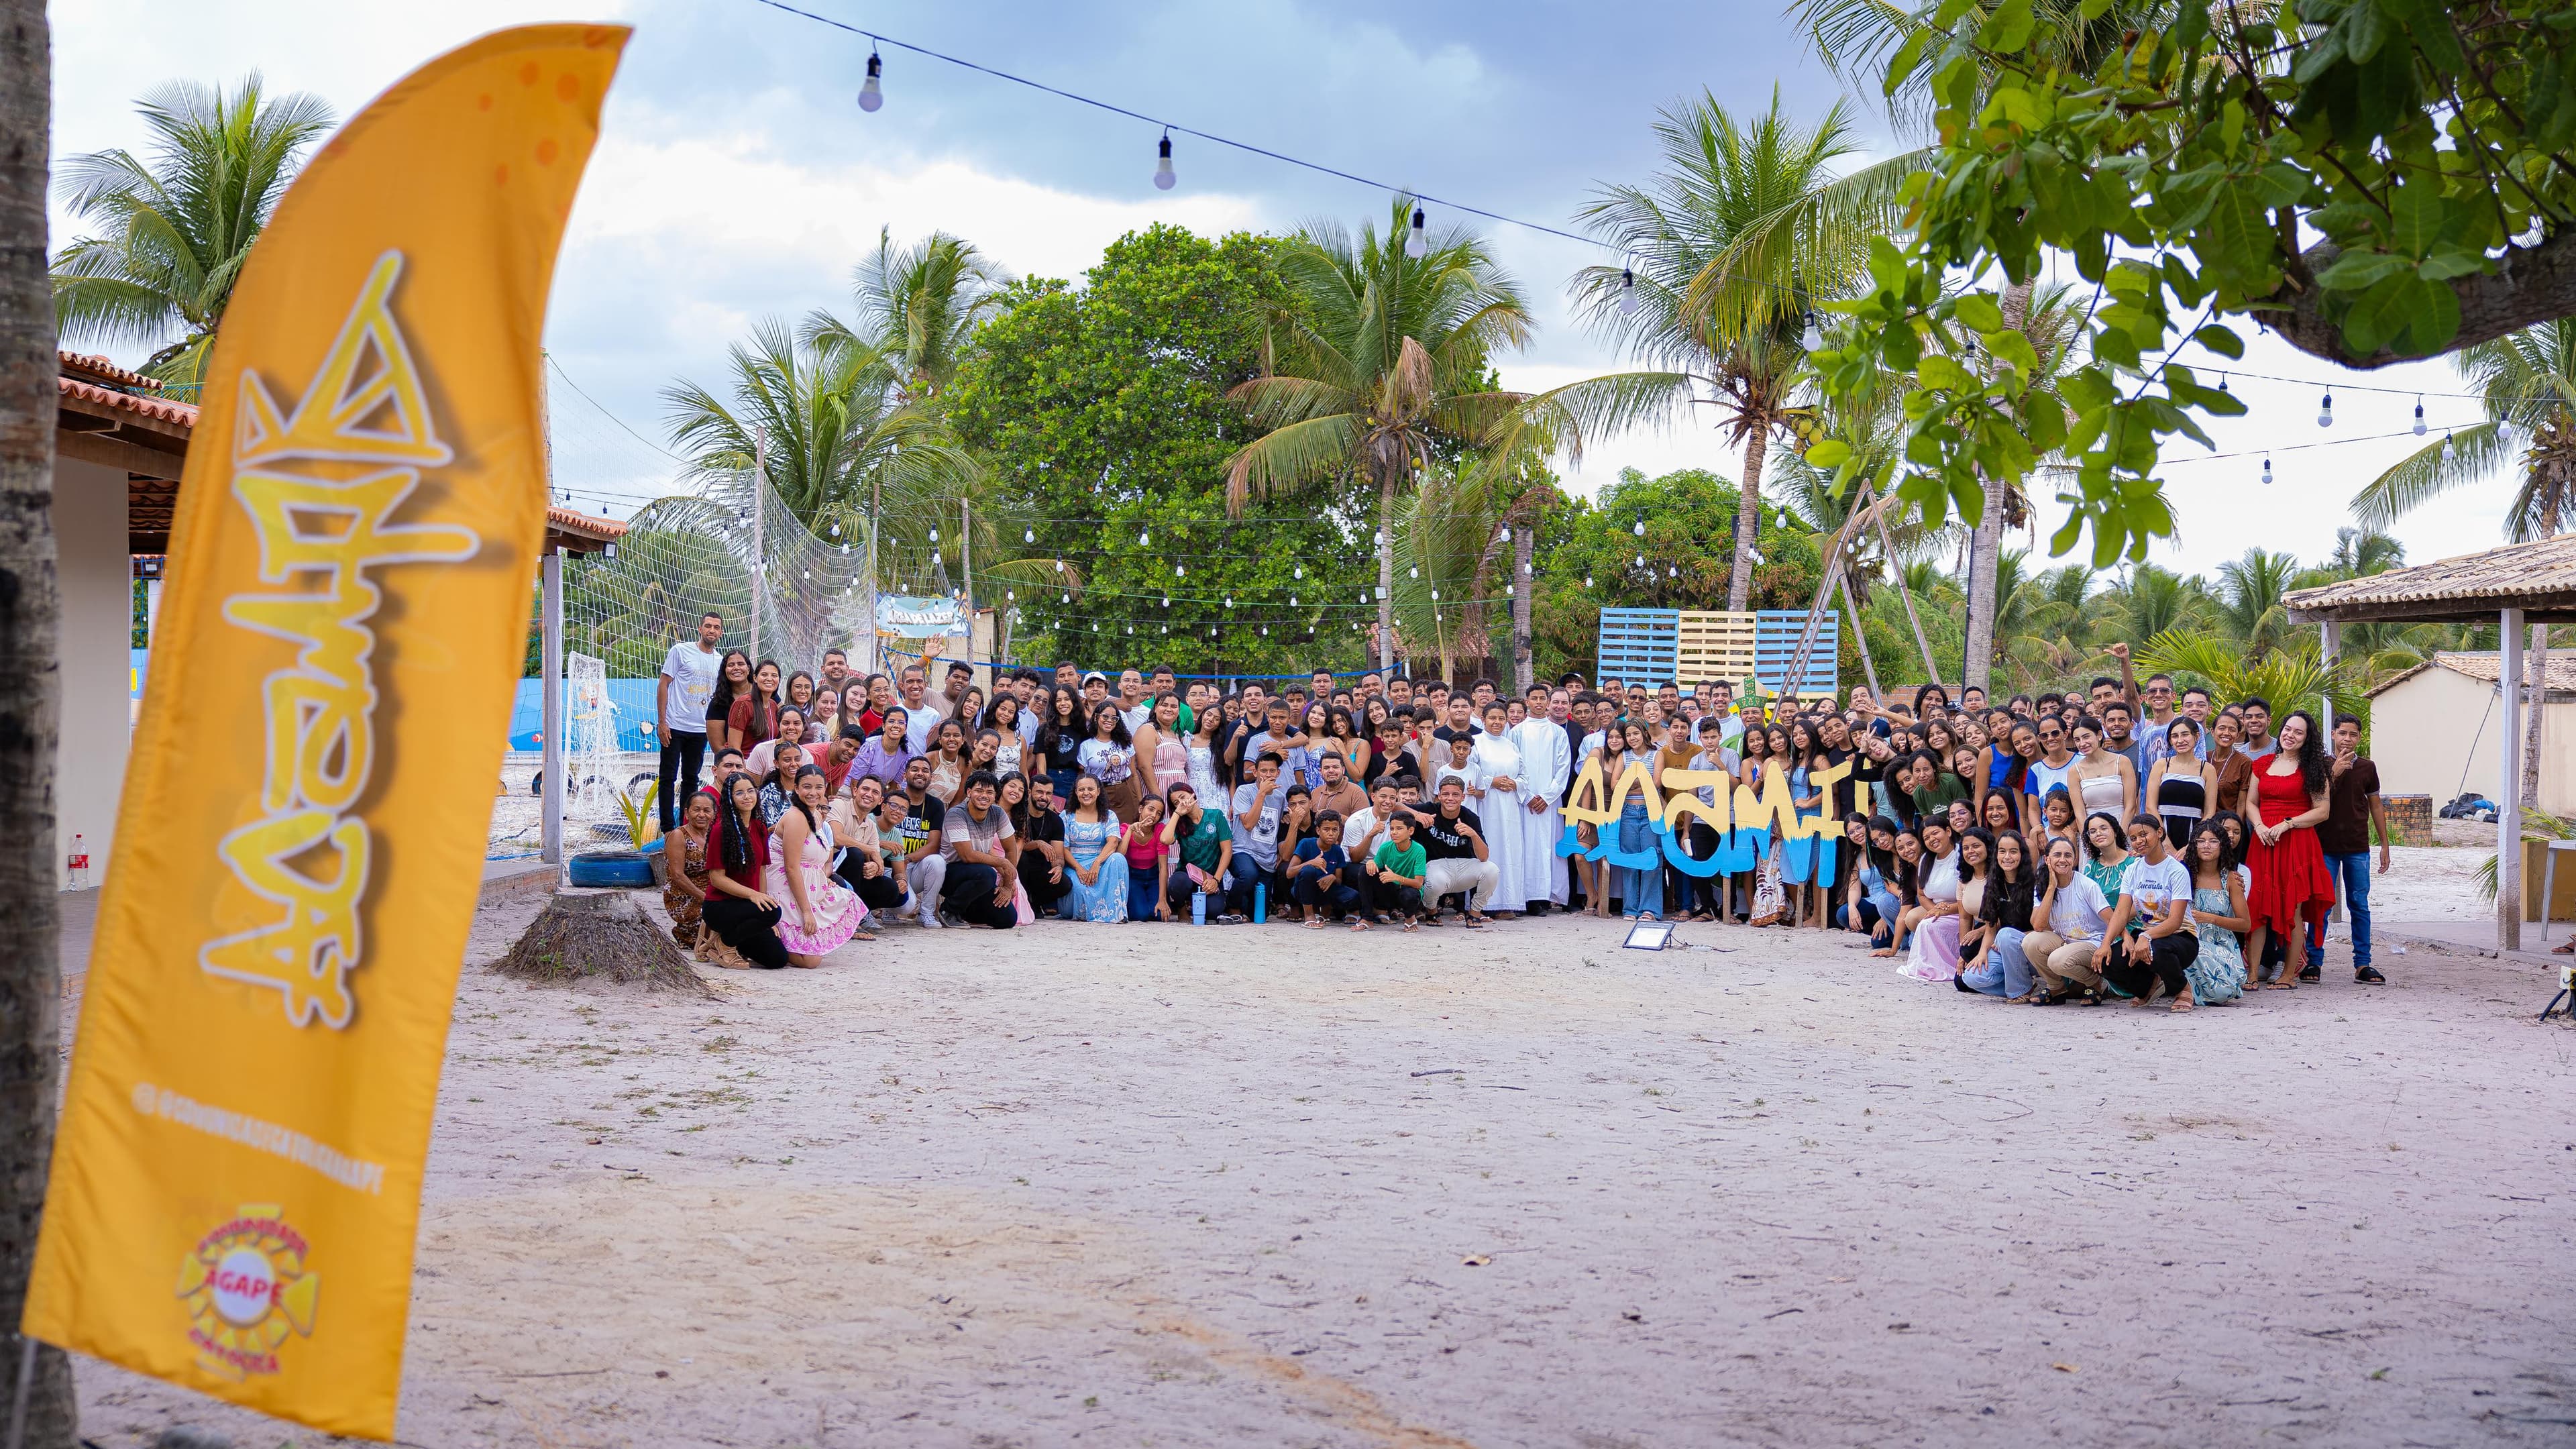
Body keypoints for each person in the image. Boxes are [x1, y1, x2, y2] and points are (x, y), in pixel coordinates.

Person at [2241, 709, 2334, 987]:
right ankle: (2252, 974)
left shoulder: (2313, 769)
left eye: (2298, 732)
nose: (2290, 735)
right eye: (2288, 729)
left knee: (2292, 908)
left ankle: (2288, 975)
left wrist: (2288, 824)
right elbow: (2251, 803)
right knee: (2255, 906)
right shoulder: (2263, 763)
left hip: (2296, 843)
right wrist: (2258, 827)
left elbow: (2323, 811)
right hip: (2263, 841)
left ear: (2307, 739)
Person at [767, 764, 869, 965]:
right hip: (784, 883)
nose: (813, 793)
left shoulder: (815, 814)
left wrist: (824, 880)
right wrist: (807, 912)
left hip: (811, 881)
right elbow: (791, 867)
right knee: (810, 961)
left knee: (847, 898)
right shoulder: (796, 818)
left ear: (825, 789)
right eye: (807, 787)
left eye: (818, 787)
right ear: (796, 788)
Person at [2316, 716, 2392, 983]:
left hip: (2357, 847)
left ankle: (2363, 963)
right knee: (2322, 905)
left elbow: (2376, 806)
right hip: (2324, 845)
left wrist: (2384, 844)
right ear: (2333, 735)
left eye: (2353, 735)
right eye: (2343, 733)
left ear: (2360, 738)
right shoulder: (2321, 764)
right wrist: (2334, 771)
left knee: (2359, 904)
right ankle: (2314, 961)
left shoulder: (2368, 768)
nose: (2347, 739)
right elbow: (2314, 798)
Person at [2102, 814, 2200, 1010]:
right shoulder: (2133, 869)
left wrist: (2146, 936)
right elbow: (2121, 913)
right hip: (2148, 934)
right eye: (2133, 838)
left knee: (2159, 949)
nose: (2139, 841)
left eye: (2144, 834)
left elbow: (2175, 921)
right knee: (2107, 961)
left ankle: (2183, 988)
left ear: (2160, 833)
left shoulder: (2177, 870)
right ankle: (2147, 987)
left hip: (2181, 937)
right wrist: (2105, 944)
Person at [701, 772, 789, 969]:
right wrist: (755, 897)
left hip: (748, 908)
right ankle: (723, 944)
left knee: (777, 960)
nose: (747, 796)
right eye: (739, 793)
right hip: (720, 906)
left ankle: (733, 940)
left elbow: (761, 871)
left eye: (751, 791)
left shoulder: (759, 827)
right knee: (773, 911)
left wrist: (763, 906)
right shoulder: (720, 830)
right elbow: (717, 879)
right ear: (730, 798)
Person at [2021, 835, 2112, 1004]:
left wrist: (2107, 945)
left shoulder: (2086, 885)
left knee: (2057, 960)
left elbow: (2111, 919)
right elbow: (2038, 925)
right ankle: (2056, 987)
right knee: (2030, 941)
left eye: (2068, 855)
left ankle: (2097, 984)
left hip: (2091, 943)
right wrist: (2051, 887)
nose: (2063, 860)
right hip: (2065, 942)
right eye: (2057, 855)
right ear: (2047, 859)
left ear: (2074, 859)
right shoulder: (2043, 886)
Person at [655, 612, 724, 831]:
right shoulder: (681, 651)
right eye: (708, 626)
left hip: (700, 729)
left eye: (716, 627)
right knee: (667, 777)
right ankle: (667, 829)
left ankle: (686, 827)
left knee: (691, 779)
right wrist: (662, 722)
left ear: (721, 633)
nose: (711, 630)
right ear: (700, 629)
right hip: (675, 726)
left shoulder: (721, 661)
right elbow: (664, 684)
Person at [1465, 702, 1532, 918]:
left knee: (1510, 852)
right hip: (1486, 806)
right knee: (1489, 850)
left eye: (1501, 719)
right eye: (1492, 718)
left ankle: (1507, 903)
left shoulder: (1511, 745)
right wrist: (1491, 781)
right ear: (1483, 720)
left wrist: (1515, 784)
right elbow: (1469, 773)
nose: (1497, 723)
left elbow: (1524, 776)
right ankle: (1483, 904)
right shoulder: (1475, 743)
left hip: (1510, 808)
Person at [1411, 775, 1499, 926]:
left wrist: (1473, 834)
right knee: (1436, 882)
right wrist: (1417, 815)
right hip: (1435, 866)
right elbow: (1396, 806)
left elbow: (1484, 857)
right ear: (1439, 796)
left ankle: (1474, 913)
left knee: (1492, 870)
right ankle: (1432, 911)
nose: (1450, 798)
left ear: (1463, 797)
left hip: (1462, 868)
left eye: (1455, 795)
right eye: (1446, 794)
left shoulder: (1470, 818)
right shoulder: (1429, 809)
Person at [1960, 829, 2037, 1000]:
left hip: (2033, 949)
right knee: (1971, 977)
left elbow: (2046, 930)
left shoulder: (2035, 884)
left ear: (2022, 855)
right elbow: (1990, 929)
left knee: (2006, 935)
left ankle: (2018, 992)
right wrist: (1982, 954)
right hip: (2004, 947)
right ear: (1996, 855)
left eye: (2013, 851)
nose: (2007, 857)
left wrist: (2008, 940)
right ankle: (2026, 988)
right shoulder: (1993, 884)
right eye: (2002, 851)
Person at [937, 771, 1020, 929]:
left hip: (977, 876)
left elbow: (1011, 849)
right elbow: (967, 856)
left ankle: (962, 912)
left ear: (995, 796)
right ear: (969, 792)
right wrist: (1003, 864)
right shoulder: (956, 814)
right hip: (949, 873)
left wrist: (1008, 884)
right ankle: (948, 910)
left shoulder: (998, 813)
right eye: (979, 791)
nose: (984, 796)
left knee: (1007, 919)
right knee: (986, 873)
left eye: (990, 792)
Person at [834, 775, 919, 921]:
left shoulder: (871, 826)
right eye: (865, 789)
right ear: (855, 791)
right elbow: (836, 838)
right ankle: (853, 918)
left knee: (893, 889)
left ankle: (861, 912)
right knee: (855, 853)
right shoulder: (840, 805)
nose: (869, 794)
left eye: (875, 792)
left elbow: (878, 864)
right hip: (831, 869)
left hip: (855, 875)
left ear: (879, 800)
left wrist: (874, 866)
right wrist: (872, 849)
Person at [2183, 820, 2249, 1005]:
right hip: (2189, 938)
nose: (2206, 846)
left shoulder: (2231, 879)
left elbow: (2245, 924)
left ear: (2222, 846)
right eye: (2201, 841)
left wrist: (2210, 918)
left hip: (2221, 946)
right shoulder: (2184, 875)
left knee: (2222, 993)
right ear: (2194, 845)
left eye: (2213, 841)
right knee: (2186, 948)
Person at [1896, 817, 1963, 982]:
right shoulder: (1926, 859)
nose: (1932, 839)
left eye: (1935, 833)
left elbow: (1969, 897)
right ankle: (1930, 966)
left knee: (1927, 925)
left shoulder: (1961, 854)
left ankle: (1948, 966)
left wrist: (1945, 910)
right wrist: (1934, 909)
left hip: (1961, 910)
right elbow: (1921, 894)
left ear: (1948, 831)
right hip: (1937, 910)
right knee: (1926, 922)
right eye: (1927, 838)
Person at [1057, 774, 1130, 924]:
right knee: (1081, 892)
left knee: (1118, 859)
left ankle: (1116, 913)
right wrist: (1079, 869)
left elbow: (1113, 843)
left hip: (1100, 864)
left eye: (1090, 789)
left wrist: (1097, 864)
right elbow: (1063, 848)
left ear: (1098, 792)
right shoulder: (1066, 816)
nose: (1086, 793)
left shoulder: (1109, 815)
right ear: (1076, 793)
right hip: (1074, 865)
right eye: (1081, 789)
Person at [1161, 783, 1235, 921]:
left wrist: (1216, 880)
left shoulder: (1215, 816)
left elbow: (1227, 851)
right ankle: (1182, 908)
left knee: (1213, 912)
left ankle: (1196, 905)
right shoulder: (1180, 823)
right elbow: (1165, 839)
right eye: (1176, 802)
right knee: (1177, 883)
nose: (1182, 803)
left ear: (1192, 794)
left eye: (1183, 797)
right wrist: (1177, 814)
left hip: (1210, 878)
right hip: (1187, 876)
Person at [1230, 752, 1291, 919]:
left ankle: (1245, 908)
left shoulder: (1280, 797)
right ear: (1255, 772)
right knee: (1249, 875)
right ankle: (1231, 906)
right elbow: (1248, 824)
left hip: (1267, 857)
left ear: (1278, 773)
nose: (1268, 775)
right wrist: (1262, 794)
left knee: (1259, 914)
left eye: (1272, 771)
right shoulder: (1244, 791)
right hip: (1243, 851)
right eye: (1264, 771)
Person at [2145, 716, 2216, 851]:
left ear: (2196, 736)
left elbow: (2209, 812)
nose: (2180, 740)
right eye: (2175, 736)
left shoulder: (2208, 770)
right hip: (2162, 830)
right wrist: (2164, 840)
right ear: (2170, 741)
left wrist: (2193, 842)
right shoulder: (2161, 765)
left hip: (2194, 833)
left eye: (2185, 735)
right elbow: (2150, 807)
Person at [894, 755, 947, 929]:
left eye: (925, 771)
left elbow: (933, 845)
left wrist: (907, 859)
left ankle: (926, 913)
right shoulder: (893, 800)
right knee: (905, 906)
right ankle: (888, 909)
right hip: (889, 868)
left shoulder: (936, 805)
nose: (920, 773)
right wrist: (897, 863)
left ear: (931, 777)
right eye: (915, 769)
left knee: (937, 861)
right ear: (905, 775)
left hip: (913, 866)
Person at [660, 786, 716, 952]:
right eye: (696, 810)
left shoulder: (714, 834)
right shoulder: (679, 835)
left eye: (707, 810)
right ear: (687, 812)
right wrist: (706, 899)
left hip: (710, 891)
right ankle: (685, 934)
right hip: (684, 895)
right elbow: (677, 875)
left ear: (714, 814)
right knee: (718, 921)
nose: (702, 815)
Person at [1289, 810, 1368, 927]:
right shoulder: (1306, 844)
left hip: (1325, 891)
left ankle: (1329, 913)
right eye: (1326, 830)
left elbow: (1339, 880)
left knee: (1354, 896)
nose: (1331, 833)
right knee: (1308, 871)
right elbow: (1289, 873)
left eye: (1335, 830)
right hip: (1304, 890)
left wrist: (1332, 877)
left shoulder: (1337, 850)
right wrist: (1311, 863)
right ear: (1318, 830)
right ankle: (1309, 915)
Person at [1363, 811, 1430, 929]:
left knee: (1410, 895)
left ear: (1411, 831)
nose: (1394, 832)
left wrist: (1397, 878)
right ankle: (1367, 918)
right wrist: (1371, 863)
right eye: (1392, 829)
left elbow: (1419, 884)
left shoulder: (1419, 850)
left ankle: (1410, 917)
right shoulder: (1386, 847)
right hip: (1389, 891)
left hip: (1408, 891)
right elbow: (1374, 867)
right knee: (1364, 871)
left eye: (1399, 829)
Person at [2065, 715, 2137, 824]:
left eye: (2086, 737)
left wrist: (2122, 835)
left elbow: (2131, 806)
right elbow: (2080, 814)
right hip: (2093, 831)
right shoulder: (2074, 771)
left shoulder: (2122, 762)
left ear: (2099, 735)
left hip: (2123, 826)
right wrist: (2088, 837)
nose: (2082, 743)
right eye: (2077, 740)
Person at [1014, 777, 1070, 916]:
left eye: (1048, 793)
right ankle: (1022, 901)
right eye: (1039, 792)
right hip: (1019, 863)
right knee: (1023, 861)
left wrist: (1058, 867)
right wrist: (1038, 844)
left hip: (1041, 869)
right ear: (1029, 792)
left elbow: (1058, 856)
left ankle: (1035, 903)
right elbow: (1014, 847)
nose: (1044, 797)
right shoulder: (1019, 813)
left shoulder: (1055, 820)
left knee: (1065, 884)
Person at [1080, 702, 1141, 820]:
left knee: (1127, 830)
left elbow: (1134, 774)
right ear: (1097, 717)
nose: (1110, 720)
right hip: (1101, 792)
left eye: (1114, 718)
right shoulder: (1086, 746)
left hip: (1126, 790)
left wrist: (1139, 800)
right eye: (1105, 716)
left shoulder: (1125, 742)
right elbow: (1082, 776)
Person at [1136, 693, 1189, 807]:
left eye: (1174, 707)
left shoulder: (1175, 734)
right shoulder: (1148, 730)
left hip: (1179, 794)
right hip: (1159, 790)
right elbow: (1144, 767)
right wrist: (1158, 797)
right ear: (1155, 708)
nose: (1169, 709)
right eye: (1164, 705)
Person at [1123, 794, 1171, 921]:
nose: (1154, 815)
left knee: (1160, 915)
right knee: (1140, 915)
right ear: (1140, 809)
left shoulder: (1160, 830)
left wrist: (1163, 900)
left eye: (1159, 813)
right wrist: (1130, 831)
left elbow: (1163, 867)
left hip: (1154, 877)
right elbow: (1119, 855)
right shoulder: (1125, 829)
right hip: (1133, 877)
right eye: (1151, 809)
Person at [727, 660, 786, 754]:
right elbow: (734, 747)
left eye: (774, 676)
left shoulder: (774, 705)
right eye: (764, 675)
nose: (769, 679)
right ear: (755, 678)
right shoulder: (743, 704)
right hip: (746, 763)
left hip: (769, 763)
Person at [704, 649, 755, 754]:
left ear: (748, 669)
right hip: (734, 763)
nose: (736, 668)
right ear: (725, 670)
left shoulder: (763, 694)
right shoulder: (718, 703)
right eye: (731, 665)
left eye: (741, 664)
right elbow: (718, 748)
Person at [922, 718, 969, 806]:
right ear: (940, 739)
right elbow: (917, 791)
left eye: (956, 735)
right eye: (947, 735)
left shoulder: (966, 764)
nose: (951, 739)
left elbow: (957, 800)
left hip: (946, 813)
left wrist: (947, 818)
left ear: (963, 740)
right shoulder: (929, 759)